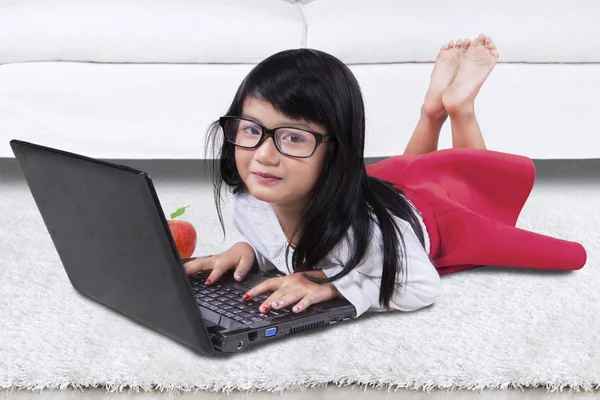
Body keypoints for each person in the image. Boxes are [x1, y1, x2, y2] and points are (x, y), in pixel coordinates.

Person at [184, 34, 587, 318]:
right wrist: (246, 248)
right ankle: (431, 112)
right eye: (251, 130)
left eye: (292, 137)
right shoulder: (248, 201)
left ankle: (459, 106)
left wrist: (335, 286)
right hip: (385, 187)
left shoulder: (369, 234)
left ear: (335, 152)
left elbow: (422, 287)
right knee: (410, 172)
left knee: (474, 183)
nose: (263, 156)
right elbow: (265, 233)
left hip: (430, 216)